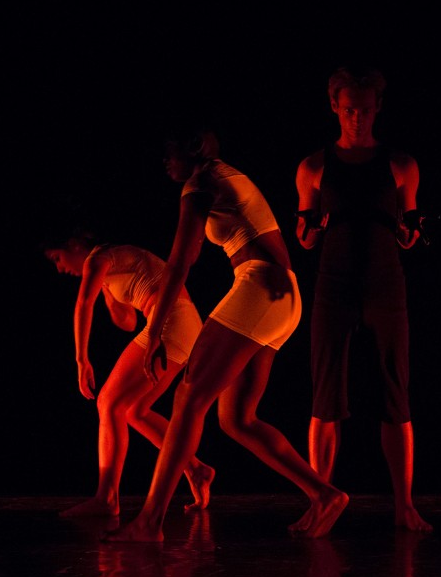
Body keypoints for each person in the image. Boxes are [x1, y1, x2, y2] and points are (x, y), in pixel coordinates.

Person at [103, 126, 348, 543]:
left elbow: (181, 261)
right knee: (236, 418)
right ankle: (324, 494)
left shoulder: (201, 183)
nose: (166, 162)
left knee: (187, 396)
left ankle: (149, 522)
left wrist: (157, 328)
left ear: (191, 150)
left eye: (171, 152)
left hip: (260, 287)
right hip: (281, 297)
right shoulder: (224, 175)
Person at [294, 66, 432, 533]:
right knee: (324, 397)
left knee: (396, 393)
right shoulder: (313, 166)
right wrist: (310, 231)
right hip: (333, 287)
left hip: (384, 286)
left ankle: (405, 506)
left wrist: (411, 233)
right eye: (349, 109)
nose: (357, 118)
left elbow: (411, 227)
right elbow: (306, 236)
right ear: (335, 106)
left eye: (366, 110)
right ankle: (320, 501)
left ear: (377, 109)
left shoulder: (401, 164)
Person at [43, 231, 214, 517]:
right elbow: (128, 321)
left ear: (74, 244)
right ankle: (196, 469)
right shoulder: (113, 264)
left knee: (108, 403)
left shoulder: (98, 257)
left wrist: (81, 360)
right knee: (134, 411)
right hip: (183, 326)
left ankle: (106, 499)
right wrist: (109, 294)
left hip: (171, 322)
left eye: (58, 258)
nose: (60, 268)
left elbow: (83, 304)